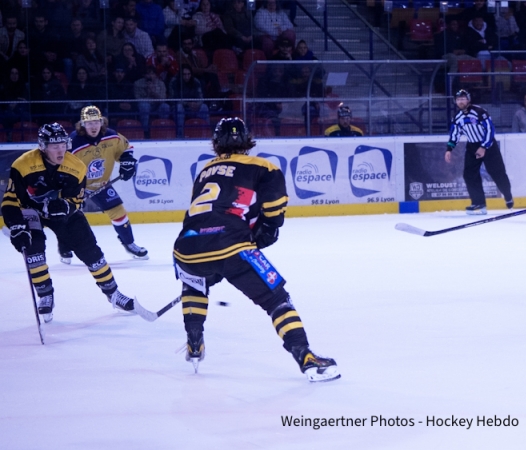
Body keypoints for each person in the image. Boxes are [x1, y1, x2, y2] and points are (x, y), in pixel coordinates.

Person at [172, 117, 340, 381]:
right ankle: (305, 356)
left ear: (216, 143)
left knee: (194, 285)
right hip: (233, 246)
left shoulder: (205, 170)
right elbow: (273, 209)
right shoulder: (264, 167)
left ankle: (194, 340)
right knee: (277, 300)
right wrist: (267, 230)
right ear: (248, 140)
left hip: (186, 248)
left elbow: (199, 214)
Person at [1, 123, 148, 323]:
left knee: (91, 252)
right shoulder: (23, 164)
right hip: (30, 211)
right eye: (54, 146)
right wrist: (17, 227)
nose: (60, 149)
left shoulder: (76, 166)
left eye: (63, 144)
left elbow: (75, 201)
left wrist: (65, 207)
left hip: (60, 212)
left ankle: (113, 294)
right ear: (42, 146)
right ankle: (45, 295)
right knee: (34, 252)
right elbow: (10, 200)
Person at [65, 105, 149, 261]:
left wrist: (127, 163)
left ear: (102, 122)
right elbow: (61, 165)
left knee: (118, 211)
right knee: (67, 216)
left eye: (96, 122)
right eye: (89, 123)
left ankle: (129, 244)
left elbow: (126, 148)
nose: (94, 126)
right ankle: (65, 247)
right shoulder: (73, 141)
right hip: (77, 186)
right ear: (82, 124)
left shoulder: (111, 136)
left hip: (101, 184)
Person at [445, 89, 514, 215]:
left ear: (468, 100)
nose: (461, 101)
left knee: (497, 173)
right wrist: (449, 149)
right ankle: (478, 202)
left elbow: (490, 130)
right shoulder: (457, 117)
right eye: (458, 99)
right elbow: (454, 134)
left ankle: (508, 194)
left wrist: (483, 147)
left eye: (463, 99)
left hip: (489, 145)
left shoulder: (480, 112)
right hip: (472, 146)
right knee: (469, 174)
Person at [169, 64, 210, 138]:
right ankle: (180, 136)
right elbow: (173, 99)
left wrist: (197, 104)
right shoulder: (174, 82)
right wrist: (187, 103)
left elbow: (201, 97)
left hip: (192, 108)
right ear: (180, 75)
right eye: (184, 74)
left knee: (204, 107)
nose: (187, 77)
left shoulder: (196, 82)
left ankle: (206, 135)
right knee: (179, 107)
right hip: (178, 108)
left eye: (188, 74)